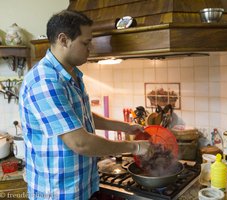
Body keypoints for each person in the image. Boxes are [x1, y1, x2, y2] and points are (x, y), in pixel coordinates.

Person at [18, 10, 150, 200]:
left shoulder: (71, 75)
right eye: (86, 42)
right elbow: (80, 143)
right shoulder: (45, 81)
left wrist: (125, 127)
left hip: (81, 186)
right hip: (58, 192)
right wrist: (135, 147)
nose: (91, 48)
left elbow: (81, 115)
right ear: (64, 40)